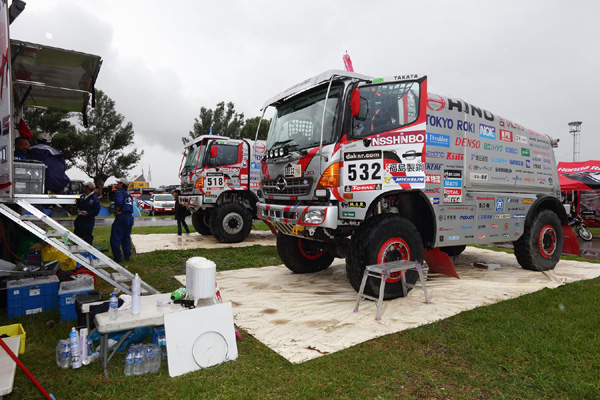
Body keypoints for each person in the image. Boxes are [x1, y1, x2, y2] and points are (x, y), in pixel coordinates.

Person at [110, 178, 134, 262]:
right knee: (126, 237)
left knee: (115, 237)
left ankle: (118, 257)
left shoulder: (119, 192)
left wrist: (116, 212)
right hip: (129, 217)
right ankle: (127, 256)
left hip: (122, 216)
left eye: (118, 183)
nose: (116, 184)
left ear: (122, 184)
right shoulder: (129, 194)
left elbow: (118, 203)